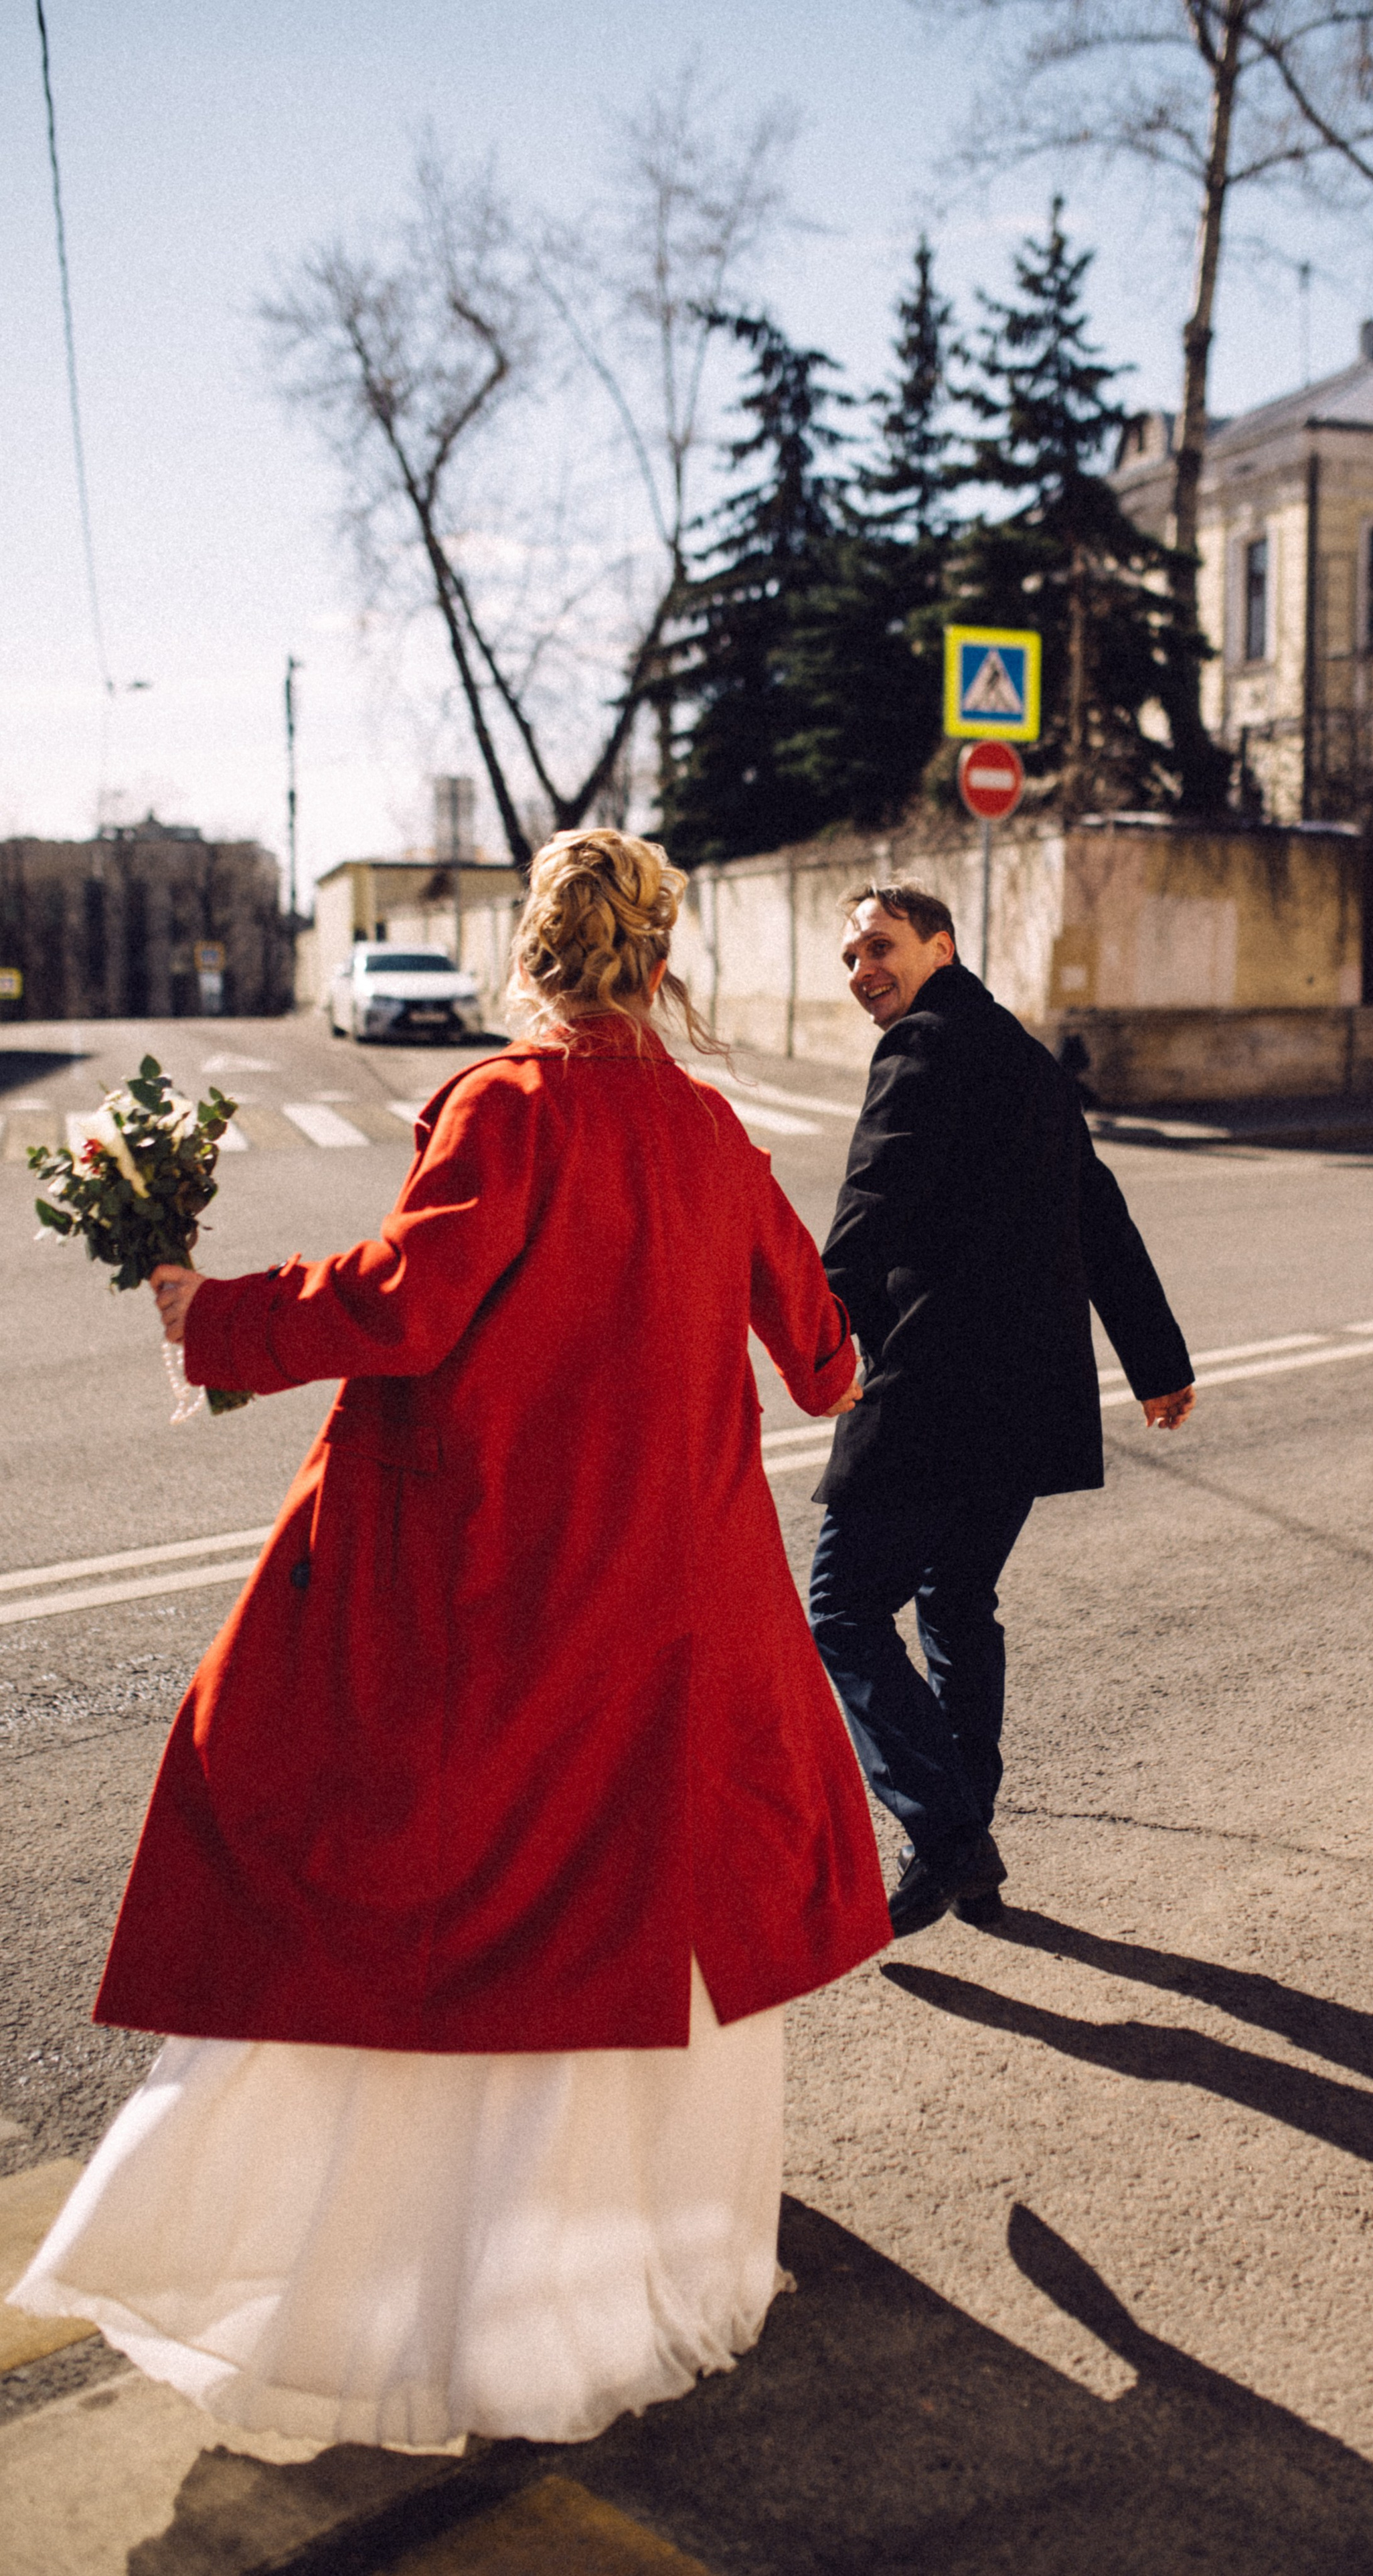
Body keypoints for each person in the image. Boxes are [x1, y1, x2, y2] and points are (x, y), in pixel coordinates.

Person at [11, 829, 891, 2451]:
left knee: (425, 1888)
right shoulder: (707, 1127)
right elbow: (824, 1358)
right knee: (640, 1909)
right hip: (686, 1609)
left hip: (518, 1593)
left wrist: (211, 1313)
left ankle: (437, 2292)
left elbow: (410, 1299)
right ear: (660, 965)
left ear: (536, 961)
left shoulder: (509, 1103)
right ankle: (628, 2272)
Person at [808, 881, 1195, 1939]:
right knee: (953, 1600)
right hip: (1029, 1400)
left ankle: (945, 1833)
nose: (861, 971)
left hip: (936, 1390)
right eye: (849, 957)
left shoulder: (922, 1046)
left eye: (878, 946)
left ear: (939, 945)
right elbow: (1099, 1209)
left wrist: (816, 1338)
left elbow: (872, 1208)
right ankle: (961, 1839)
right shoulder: (1023, 1054)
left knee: (842, 1609)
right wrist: (1156, 1361)